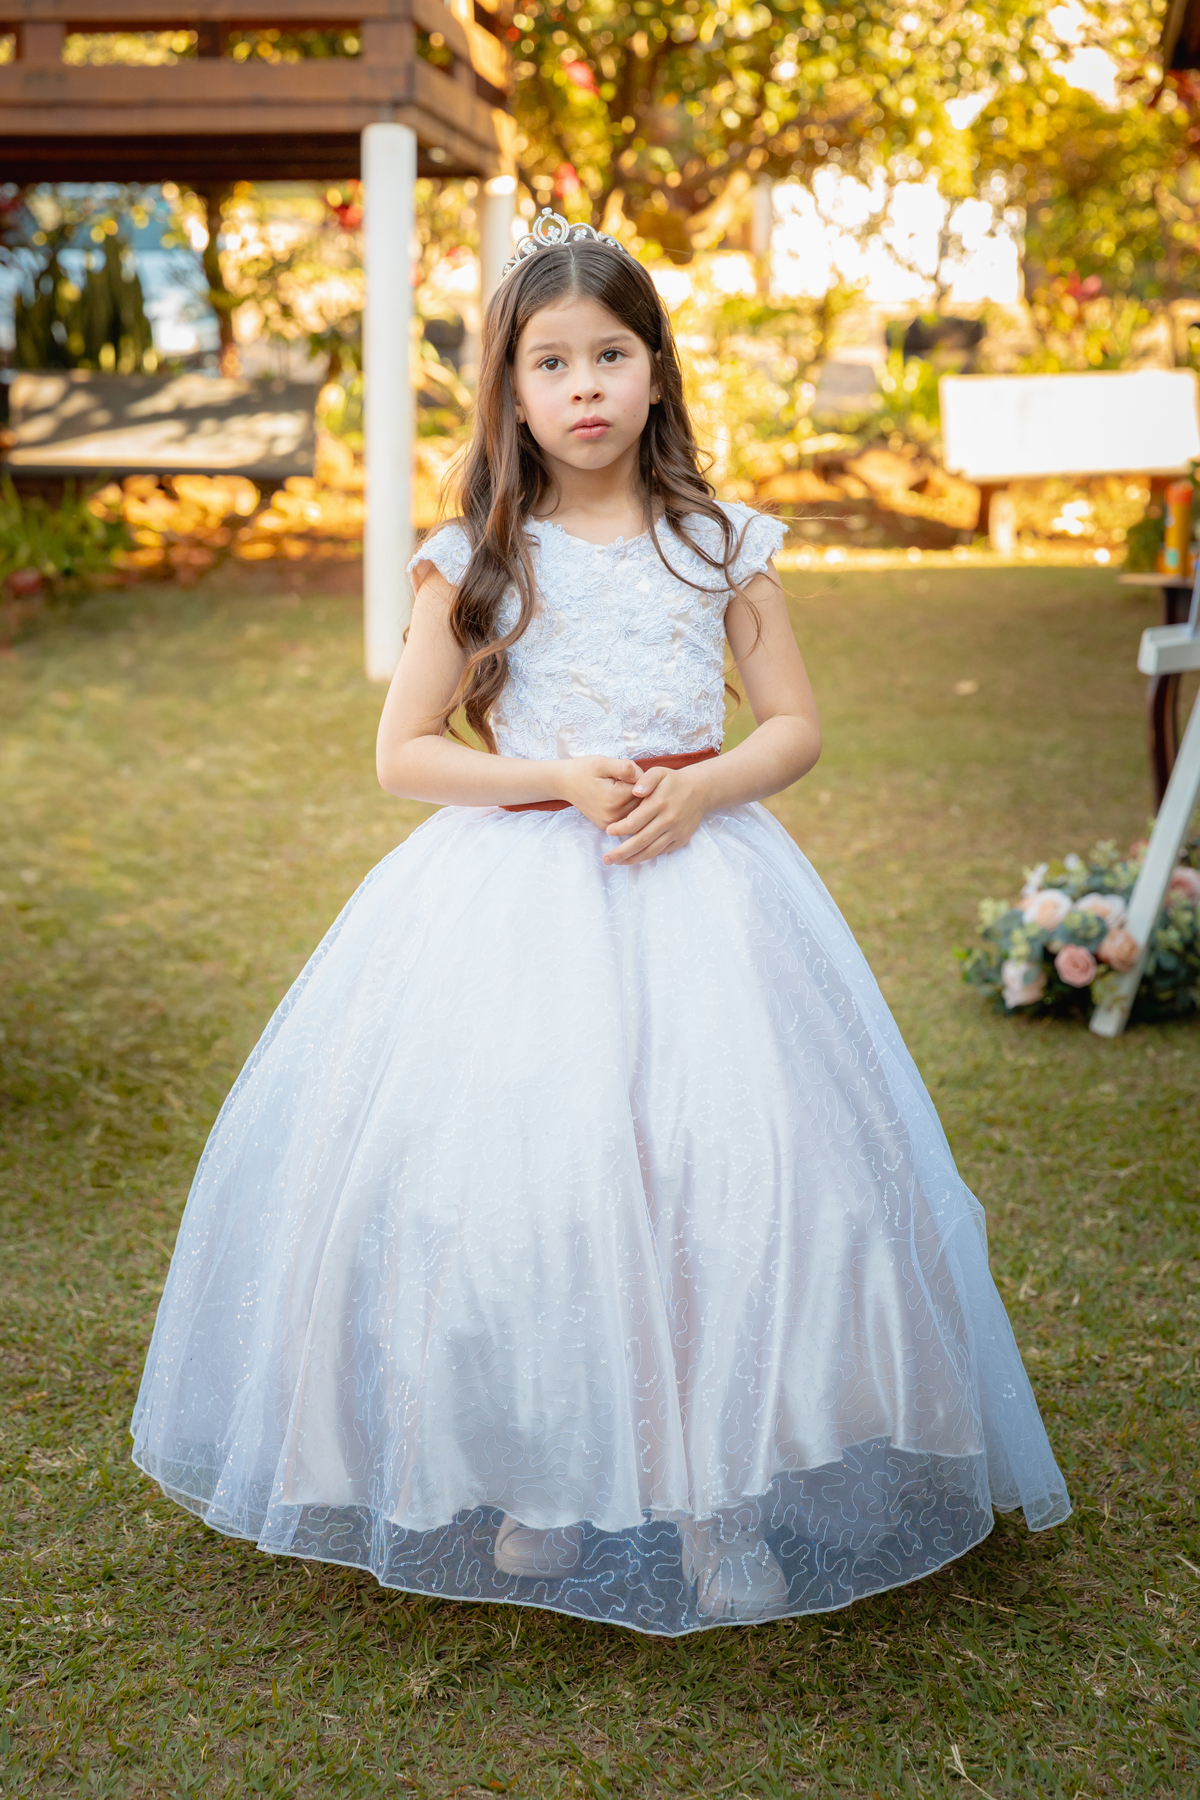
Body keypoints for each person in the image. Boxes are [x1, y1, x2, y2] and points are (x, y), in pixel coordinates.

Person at [131, 210, 1070, 1635]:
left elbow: (797, 725)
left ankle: (721, 1496)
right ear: (509, 388)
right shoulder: (477, 557)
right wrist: (550, 780)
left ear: (654, 371)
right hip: (515, 902)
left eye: (610, 356)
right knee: (528, 1185)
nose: (583, 388)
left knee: (724, 1170)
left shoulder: (717, 543)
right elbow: (405, 755)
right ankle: (545, 1476)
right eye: (551, 362)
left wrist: (707, 796)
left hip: (706, 894)